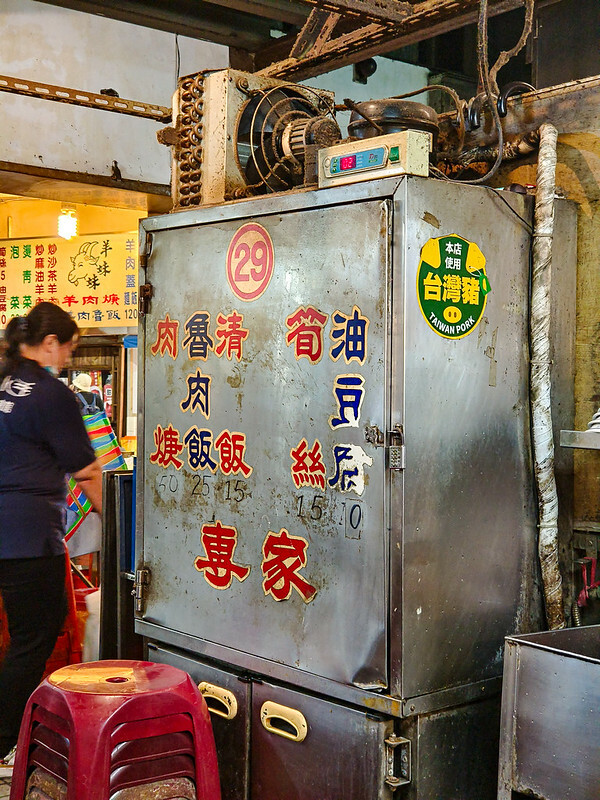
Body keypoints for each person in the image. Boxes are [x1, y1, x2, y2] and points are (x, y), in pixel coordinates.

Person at [0, 302, 103, 768]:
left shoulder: (2, 380)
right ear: (48, 344)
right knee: (35, 635)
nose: (66, 360)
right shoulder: (49, 392)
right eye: (67, 350)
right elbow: (87, 472)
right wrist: (121, 524)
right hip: (25, 537)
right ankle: (4, 742)